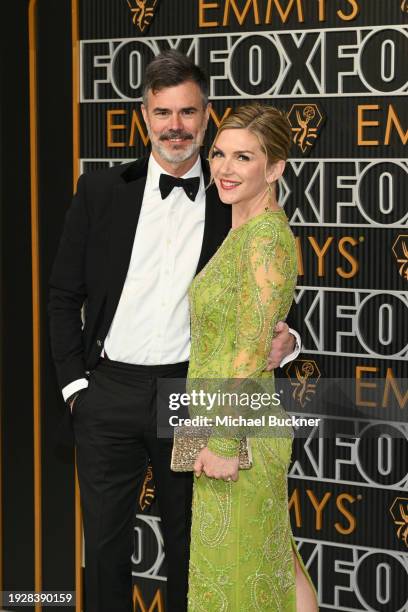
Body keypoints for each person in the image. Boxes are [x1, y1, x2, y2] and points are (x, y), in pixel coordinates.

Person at [48, 51, 300, 612]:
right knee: (107, 547)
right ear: (145, 117)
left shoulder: (232, 196)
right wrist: (75, 388)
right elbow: (64, 295)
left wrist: (288, 342)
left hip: (191, 393)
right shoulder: (101, 191)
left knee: (194, 548)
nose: (175, 126)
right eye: (163, 113)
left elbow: (264, 292)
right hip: (107, 391)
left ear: (206, 115)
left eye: (188, 112)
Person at [188, 104, 318, 611]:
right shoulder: (243, 232)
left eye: (244, 157)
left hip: (237, 430)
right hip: (224, 417)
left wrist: (222, 440)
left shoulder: (264, 239)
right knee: (274, 562)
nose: (225, 167)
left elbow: (248, 349)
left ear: (276, 167)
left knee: (243, 574)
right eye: (219, 153)